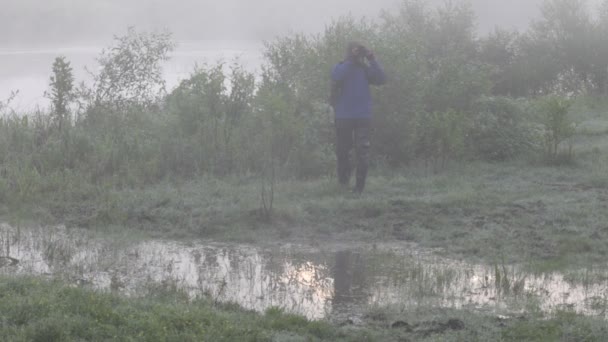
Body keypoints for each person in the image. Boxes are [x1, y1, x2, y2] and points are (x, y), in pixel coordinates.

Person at [331, 42, 386, 194]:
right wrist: (351, 59)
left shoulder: (364, 70)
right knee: (343, 151)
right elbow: (336, 76)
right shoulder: (341, 66)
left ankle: (359, 188)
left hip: (362, 117)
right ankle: (343, 184)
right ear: (348, 52)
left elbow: (381, 79)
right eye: (354, 50)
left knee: (362, 152)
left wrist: (372, 58)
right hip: (344, 116)